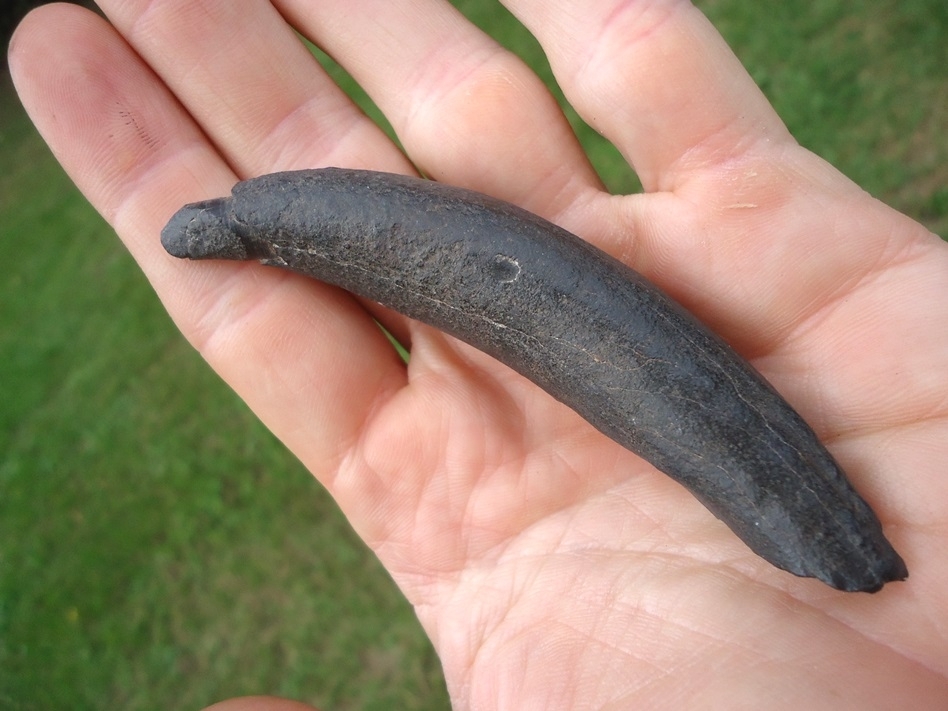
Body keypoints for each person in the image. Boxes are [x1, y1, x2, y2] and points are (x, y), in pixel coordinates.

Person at [9, 1, 948, 708]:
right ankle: (827, 538)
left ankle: (828, 536)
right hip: (277, 219)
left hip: (814, 524)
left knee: (755, 469)